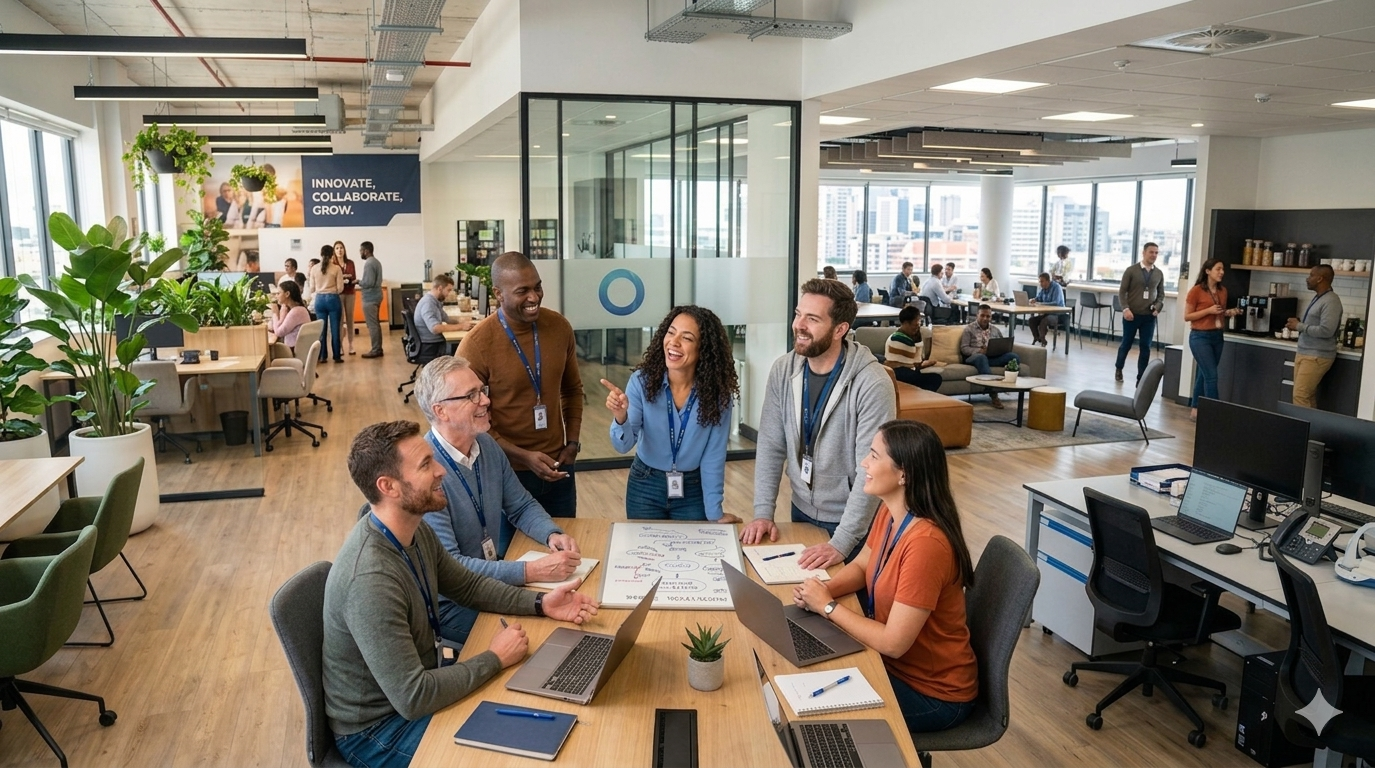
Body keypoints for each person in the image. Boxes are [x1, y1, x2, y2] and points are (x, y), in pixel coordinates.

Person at [324, 420, 598, 768]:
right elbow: (414, 697)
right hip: (380, 731)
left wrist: (541, 603)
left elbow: (468, 586)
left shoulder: (414, 530)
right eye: (426, 465)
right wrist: (494, 658)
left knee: (541, 721)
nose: (441, 471)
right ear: (388, 486)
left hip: (419, 690)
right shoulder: (369, 579)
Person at [792, 420, 977, 734]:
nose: (864, 462)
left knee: (809, 712)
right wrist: (824, 590)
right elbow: (864, 566)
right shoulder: (891, 512)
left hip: (932, 694)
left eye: (874, 456)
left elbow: (893, 643)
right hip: (892, 665)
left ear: (903, 474)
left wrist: (828, 608)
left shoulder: (927, 545)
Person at [403, 356, 583, 646]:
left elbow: (521, 505)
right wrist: (530, 571)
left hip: (487, 582)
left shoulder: (486, 445)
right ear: (441, 411)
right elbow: (452, 568)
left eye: (482, 390)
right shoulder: (427, 474)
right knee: (545, 633)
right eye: (471, 395)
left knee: (566, 611)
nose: (486, 400)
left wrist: (552, 533)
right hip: (448, 604)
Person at [743, 278, 896, 569]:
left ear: (840, 329)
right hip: (800, 508)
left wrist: (842, 541)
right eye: (798, 314)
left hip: (853, 523)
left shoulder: (872, 384)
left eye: (812, 319)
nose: (799, 325)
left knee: (844, 606)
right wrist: (763, 512)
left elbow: (872, 470)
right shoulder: (783, 369)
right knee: (801, 598)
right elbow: (771, 445)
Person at [463, 252, 584, 519]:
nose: (534, 297)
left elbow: (572, 390)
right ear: (499, 293)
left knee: (565, 548)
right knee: (513, 556)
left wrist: (573, 442)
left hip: (559, 466)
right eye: (523, 291)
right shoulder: (477, 345)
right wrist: (523, 456)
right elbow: (471, 420)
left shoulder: (559, 327)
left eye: (538, 287)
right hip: (507, 473)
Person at [601, 306, 740, 522]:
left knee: (692, 554)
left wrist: (715, 513)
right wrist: (621, 417)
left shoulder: (718, 397)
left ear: (703, 348)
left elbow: (713, 458)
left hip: (692, 490)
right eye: (671, 332)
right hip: (645, 485)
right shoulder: (642, 382)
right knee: (645, 553)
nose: (673, 342)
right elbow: (623, 445)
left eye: (687, 338)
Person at [1184, 259, 1242, 420]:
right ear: (1208, 271)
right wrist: (1208, 310)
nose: (1222, 272)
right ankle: (1213, 415)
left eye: (1223, 269)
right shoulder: (1196, 291)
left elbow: (1219, 311)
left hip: (1217, 336)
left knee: (1204, 373)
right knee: (1212, 375)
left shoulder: (1223, 291)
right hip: (1199, 337)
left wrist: (1228, 312)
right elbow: (1187, 316)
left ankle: (1195, 409)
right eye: (1218, 269)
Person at [1286, 264, 1342, 409]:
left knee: (1300, 396)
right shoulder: (1319, 298)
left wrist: (1299, 326)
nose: (1307, 278)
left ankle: (1302, 430)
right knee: (1307, 396)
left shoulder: (1331, 301)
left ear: (1320, 278)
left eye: (1311, 275)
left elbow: (1326, 330)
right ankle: (1312, 430)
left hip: (1317, 355)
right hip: (1306, 352)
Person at [1115, 242, 1166, 384]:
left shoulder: (1158, 273)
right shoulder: (1131, 271)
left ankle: (1141, 377)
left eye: (1156, 253)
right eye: (1151, 252)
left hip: (1149, 316)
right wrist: (1125, 309)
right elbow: (1122, 292)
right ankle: (1119, 368)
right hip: (1131, 315)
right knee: (1126, 344)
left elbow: (1161, 295)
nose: (1154, 255)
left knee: (1145, 346)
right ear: (1143, 253)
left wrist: (1157, 307)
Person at [960, 304, 1018, 409]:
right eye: (982, 315)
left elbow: (1001, 343)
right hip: (975, 357)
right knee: (982, 358)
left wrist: (1001, 349)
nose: (985, 318)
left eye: (988, 316)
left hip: (991, 357)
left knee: (1013, 357)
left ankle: (1007, 386)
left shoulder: (995, 330)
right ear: (977, 315)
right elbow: (964, 348)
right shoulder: (969, 329)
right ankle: (993, 394)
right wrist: (980, 351)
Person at [885, 305, 942, 392]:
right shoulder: (901, 339)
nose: (918, 326)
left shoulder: (901, 335)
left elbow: (915, 362)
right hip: (900, 373)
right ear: (906, 323)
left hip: (905, 371)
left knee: (929, 379)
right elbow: (917, 362)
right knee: (935, 379)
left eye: (919, 322)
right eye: (915, 323)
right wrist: (926, 363)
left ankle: (918, 395)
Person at [414, 275, 471, 350]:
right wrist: (461, 326)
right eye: (448, 290)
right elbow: (435, 328)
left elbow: (447, 319)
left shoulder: (435, 301)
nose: (449, 294)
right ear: (440, 289)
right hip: (430, 346)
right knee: (466, 347)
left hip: (433, 343)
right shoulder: (428, 303)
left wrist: (462, 322)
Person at [312, 245, 346, 363]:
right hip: (333, 299)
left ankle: (322, 356)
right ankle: (336, 356)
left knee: (322, 330)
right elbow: (340, 288)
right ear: (332, 254)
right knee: (335, 329)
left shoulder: (314, 269)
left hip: (319, 300)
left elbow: (312, 288)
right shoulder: (336, 269)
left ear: (320, 254)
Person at [266, 280, 311, 351]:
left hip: (294, 349)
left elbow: (278, 333)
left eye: (278, 293)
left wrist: (275, 313)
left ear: (287, 294)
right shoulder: (293, 309)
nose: (276, 296)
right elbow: (274, 326)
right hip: (296, 348)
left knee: (269, 351)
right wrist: (282, 310)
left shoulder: (296, 311)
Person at [359, 241, 385, 358]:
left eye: (361, 250)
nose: (360, 253)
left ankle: (375, 349)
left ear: (366, 251)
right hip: (377, 295)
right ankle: (378, 348)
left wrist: (358, 282)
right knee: (376, 324)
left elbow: (368, 282)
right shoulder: (377, 262)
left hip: (370, 298)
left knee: (372, 325)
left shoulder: (369, 263)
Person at [1026, 272, 1065, 347]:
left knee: (1044, 321)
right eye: (1040, 281)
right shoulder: (1043, 289)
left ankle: (1043, 340)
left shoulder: (1056, 287)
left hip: (1057, 314)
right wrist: (1034, 300)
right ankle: (1038, 338)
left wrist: (1041, 304)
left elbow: (1056, 303)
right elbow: (1039, 298)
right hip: (1047, 313)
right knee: (1032, 320)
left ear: (1048, 281)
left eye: (1042, 281)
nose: (1040, 283)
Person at [337, 242, 358, 356]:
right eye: (337, 248)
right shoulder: (333, 264)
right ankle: (340, 346)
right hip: (339, 294)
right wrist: (343, 277)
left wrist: (347, 278)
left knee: (350, 319)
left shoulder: (350, 263)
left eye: (341, 248)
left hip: (350, 292)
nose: (339, 250)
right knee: (340, 320)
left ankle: (351, 344)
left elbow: (353, 277)